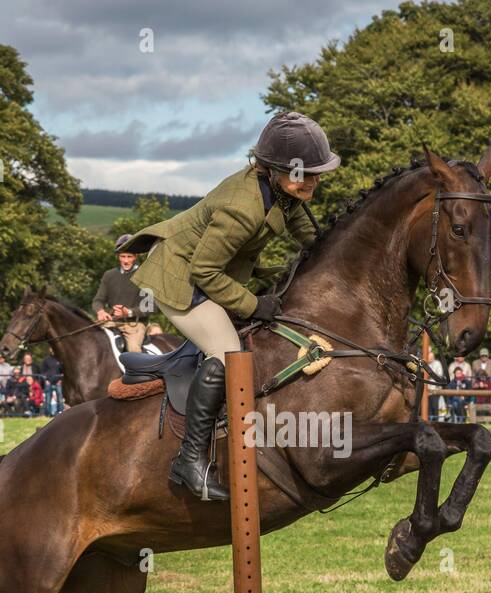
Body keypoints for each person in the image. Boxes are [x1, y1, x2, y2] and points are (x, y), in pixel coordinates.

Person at [120, 111, 333, 500]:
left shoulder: (285, 192)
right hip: (182, 279)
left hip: (210, 273)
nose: (315, 181)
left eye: (318, 173)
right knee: (228, 352)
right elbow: (204, 272)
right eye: (307, 173)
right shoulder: (243, 207)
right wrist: (253, 304)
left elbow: (313, 240)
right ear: (273, 170)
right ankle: (189, 460)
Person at [93, 235, 153, 353]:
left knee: (133, 352)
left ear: (135, 256)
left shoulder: (146, 275)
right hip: (111, 322)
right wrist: (100, 311)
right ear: (118, 256)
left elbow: (151, 307)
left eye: (129, 256)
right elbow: (98, 300)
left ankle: (139, 372)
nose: (125, 261)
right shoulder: (109, 275)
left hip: (134, 325)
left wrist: (128, 312)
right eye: (122, 256)